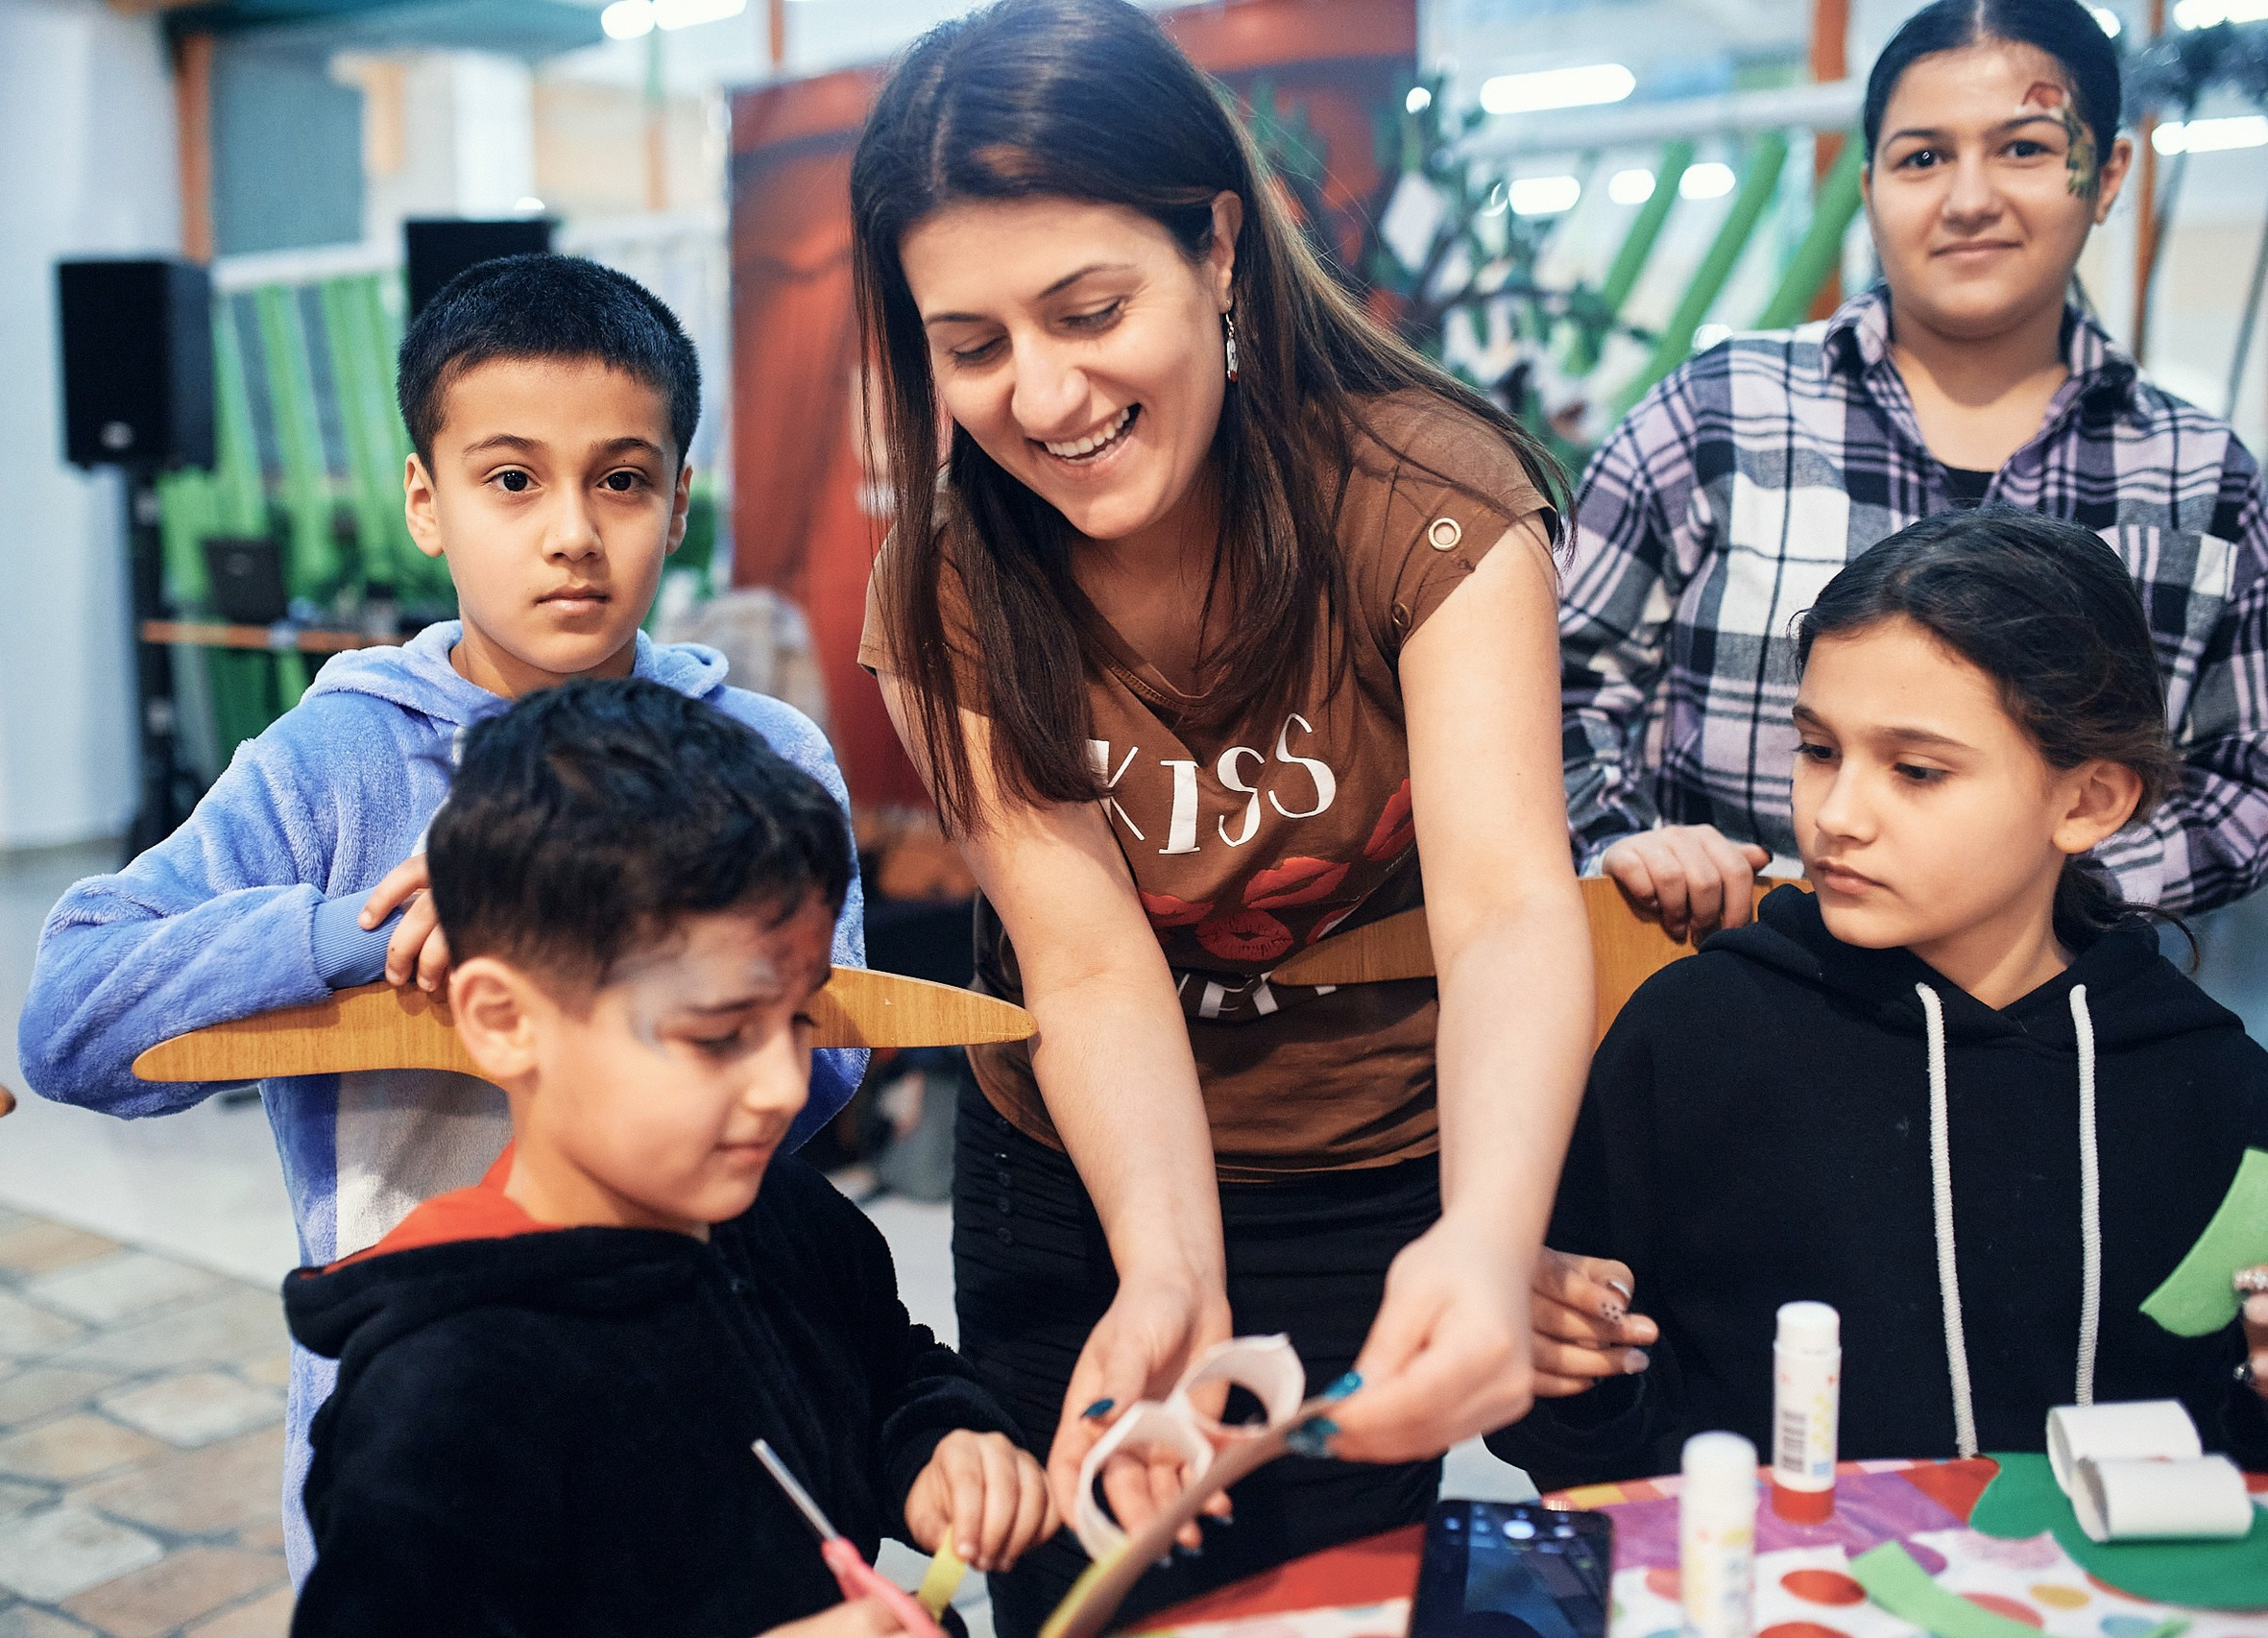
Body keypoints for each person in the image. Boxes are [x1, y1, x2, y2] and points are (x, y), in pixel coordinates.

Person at [850, 0, 1592, 1626]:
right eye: (971, 346)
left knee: (1321, 1599)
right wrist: (1168, 1271)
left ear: (1220, 249)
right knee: (1080, 1592)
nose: (1044, 396)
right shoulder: (949, 585)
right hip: (1079, 1184)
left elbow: (1505, 908)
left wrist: (1483, 1236)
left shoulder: (1428, 502)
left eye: (1090, 308)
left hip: (1373, 1170)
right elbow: (1090, 964)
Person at [15, 253, 865, 1577]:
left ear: (681, 499)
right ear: (427, 501)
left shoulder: (764, 749)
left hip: (702, 1366)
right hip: (408, 1392)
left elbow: (829, 1066)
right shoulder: (334, 759)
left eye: (623, 479)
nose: (572, 531)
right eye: (512, 479)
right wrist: (360, 925)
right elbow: (70, 1019)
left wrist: (590, 913)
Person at [1495, 510, 2268, 1489]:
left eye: (1915, 769)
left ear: (2088, 801)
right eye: (1818, 749)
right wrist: (1564, 1370)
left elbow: (2230, 1469)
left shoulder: (2216, 1092)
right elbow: (1565, 1438)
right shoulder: (1691, 1037)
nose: (1836, 815)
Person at [288, 680, 1051, 1637]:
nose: (781, 1084)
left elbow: (891, 1370)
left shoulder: (786, 1214)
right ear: (506, 1020)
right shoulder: (443, 1397)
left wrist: (941, 1446)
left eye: (799, 1016)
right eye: (717, 1033)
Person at [1562, 0, 2268, 943]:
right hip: (1711, 979)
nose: (1968, 198)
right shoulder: (1717, 413)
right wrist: (1626, 846)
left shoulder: (2198, 477)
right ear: (1868, 184)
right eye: (1922, 157)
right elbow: (1553, 681)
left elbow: (2246, 775)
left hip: (2050, 1034)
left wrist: (2032, 886)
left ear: (2105, 176)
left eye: (2022, 148)